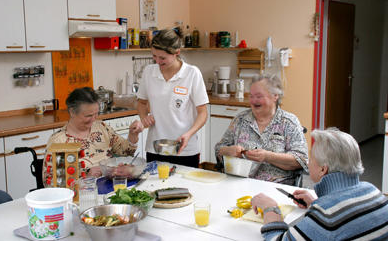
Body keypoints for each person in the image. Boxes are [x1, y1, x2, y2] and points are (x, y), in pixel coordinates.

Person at [252, 127, 388, 241]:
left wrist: (271, 208)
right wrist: (316, 204)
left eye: (311, 158)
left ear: (323, 169)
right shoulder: (373, 191)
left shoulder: (325, 216)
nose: (308, 162)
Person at [215, 73, 308, 185]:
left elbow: (301, 160)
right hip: (239, 184)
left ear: (275, 96)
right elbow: (219, 149)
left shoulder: (289, 122)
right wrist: (228, 151)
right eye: (251, 96)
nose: (254, 101)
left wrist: (268, 156)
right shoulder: (240, 119)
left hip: (275, 188)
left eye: (259, 96)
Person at [137, 28, 209, 168]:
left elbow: (203, 112)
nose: (157, 61)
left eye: (162, 58)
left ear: (177, 53)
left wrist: (189, 134)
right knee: (154, 188)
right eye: (154, 56)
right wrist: (144, 117)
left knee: (185, 189)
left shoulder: (192, 73)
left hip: (184, 150)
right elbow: (141, 103)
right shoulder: (149, 72)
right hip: (155, 148)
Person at [42, 87, 144, 182]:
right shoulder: (59, 141)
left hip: (111, 185)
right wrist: (86, 177)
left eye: (96, 114)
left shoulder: (101, 127)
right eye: (88, 115)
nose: (94, 119)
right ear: (72, 112)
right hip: (84, 195)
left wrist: (133, 135)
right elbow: (50, 182)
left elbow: (126, 153)